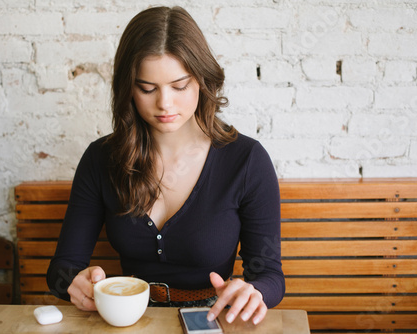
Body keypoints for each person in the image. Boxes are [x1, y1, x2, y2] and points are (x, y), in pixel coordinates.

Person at [46, 5, 285, 326]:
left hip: (213, 318)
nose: (165, 103)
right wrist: (73, 284)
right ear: (127, 88)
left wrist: (255, 291)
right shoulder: (100, 158)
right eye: (147, 88)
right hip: (128, 316)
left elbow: (269, 275)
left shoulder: (246, 160)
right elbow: (60, 271)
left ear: (202, 80)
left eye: (179, 85)